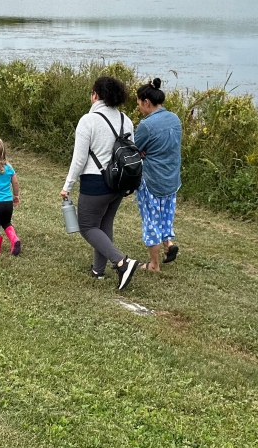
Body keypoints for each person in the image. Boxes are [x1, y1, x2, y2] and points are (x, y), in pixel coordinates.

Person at [61, 75, 141, 291]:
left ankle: (122, 263)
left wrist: (67, 186)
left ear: (96, 95)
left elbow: (79, 159)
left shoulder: (88, 121)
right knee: (104, 225)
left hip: (96, 182)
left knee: (87, 227)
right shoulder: (126, 120)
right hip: (119, 183)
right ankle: (98, 270)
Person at [132, 78, 182, 272]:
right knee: (165, 215)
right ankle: (168, 244)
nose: (138, 107)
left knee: (151, 220)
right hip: (171, 178)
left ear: (146, 102)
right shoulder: (175, 119)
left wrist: (143, 153)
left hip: (152, 179)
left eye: (138, 103)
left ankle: (154, 265)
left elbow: (134, 150)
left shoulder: (146, 125)